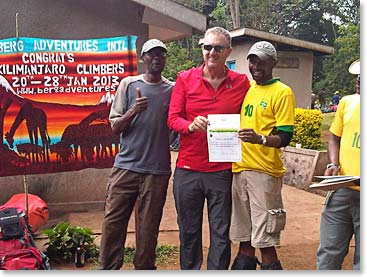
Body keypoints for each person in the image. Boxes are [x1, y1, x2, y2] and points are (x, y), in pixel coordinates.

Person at [167, 26, 250, 270]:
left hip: (222, 171)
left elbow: (251, 115)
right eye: (207, 47)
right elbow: (172, 118)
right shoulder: (185, 79)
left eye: (218, 48)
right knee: (189, 232)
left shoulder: (241, 83)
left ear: (228, 52)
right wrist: (190, 126)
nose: (211, 52)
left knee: (220, 233)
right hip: (188, 169)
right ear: (201, 49)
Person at [98, 39, 174, 270]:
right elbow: (114, 127)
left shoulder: (172, 89)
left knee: (148, 228)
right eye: (151, 54)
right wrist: (134, 110)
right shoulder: (129, 85)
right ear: (143, 58)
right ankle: (108, 268)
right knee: (113, 223)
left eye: (161, 54)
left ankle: (144, 269)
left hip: (157, 171)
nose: (156, 58)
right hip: (126, 168)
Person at [230, 41, 296, 270]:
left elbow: (285, 136)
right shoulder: (248, 89)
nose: (256, 65)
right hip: (239, 170)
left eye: (261, 60)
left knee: (266, 240)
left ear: (273, 63)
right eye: (252, 60)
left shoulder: (282, 92)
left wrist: (261, 139)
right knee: (244, 238)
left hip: (264, 174)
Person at [316, 60, 360, 270]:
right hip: (342, 188)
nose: (359, 80)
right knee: (329, 254)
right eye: (358, 77)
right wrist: (333, 163)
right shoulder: (347, 103)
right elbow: (335, 138)